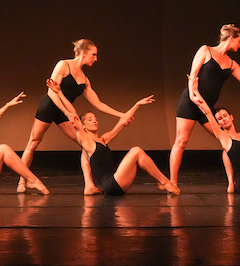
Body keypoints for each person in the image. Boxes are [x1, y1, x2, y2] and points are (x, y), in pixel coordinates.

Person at [17, 39, 129, 195]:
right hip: (49, 106)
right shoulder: (63, 65)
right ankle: (23, 180)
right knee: (33, 143)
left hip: (64, 111)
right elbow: (52, 92)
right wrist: (67, 111)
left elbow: (98, 104)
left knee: (86, 143)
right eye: (93, 55)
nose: (95, 59)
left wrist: (121, 115)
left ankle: (89, 185)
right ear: (83, 53)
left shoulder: (85, 80)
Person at [170, 24, 240, 186]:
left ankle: (232, 182)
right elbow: (193, 75)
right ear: (231, 38)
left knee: (229, 141)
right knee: (181, 141)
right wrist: (192, 95)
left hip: (206, 108)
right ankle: (172, 183)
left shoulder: (232, 64)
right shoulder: (206, 50)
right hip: (190, 102)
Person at [47, 78, 179, 195]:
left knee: (139, 155)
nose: (94, 121)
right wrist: (59, 92)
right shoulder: (86, 140)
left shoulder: (104, 139)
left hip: (117, 184)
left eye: (95, 118)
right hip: (111, 184)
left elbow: (122, 122)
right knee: (136, 151)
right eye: (89, 119)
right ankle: (165, 182)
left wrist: (137, 104)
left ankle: (163, 182)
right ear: (84, 126)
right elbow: (73, 113)